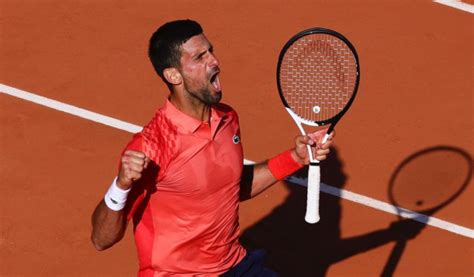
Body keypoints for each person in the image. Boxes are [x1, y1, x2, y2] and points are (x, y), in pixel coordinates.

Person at [91, 19, 333, 276]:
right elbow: (101, 239)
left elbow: (230, 187)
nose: (214, 61)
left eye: (211, 51)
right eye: (200, 57)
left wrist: (295, 157)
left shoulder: (227, 118)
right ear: (173, 75)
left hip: (235, 265)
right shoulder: (152, 146)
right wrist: (121, 186)